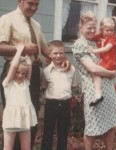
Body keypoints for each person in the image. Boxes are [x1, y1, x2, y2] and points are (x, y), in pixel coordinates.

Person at [0, 0, 70, 149]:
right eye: (30, 4)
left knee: (30, 116)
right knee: (14, 116)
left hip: (32, 74)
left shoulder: (36, 25)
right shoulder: (7, 19)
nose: (34, 8)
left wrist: (61, 59)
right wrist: (23, 49)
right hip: (14, 73)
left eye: (37, 4)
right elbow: (0, 47)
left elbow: (45, 49)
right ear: (20, 1)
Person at [72, 11, 116, 150]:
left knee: (110, 124)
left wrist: (111, 72)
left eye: (94, 27)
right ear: (81, 28)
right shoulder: (79, 44)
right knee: (92, 128)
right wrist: (111, 73)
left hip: (108, 88)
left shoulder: (94, 41)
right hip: (94, 92)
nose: (92, 30)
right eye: (89, 28)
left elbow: (109, 53)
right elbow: (93, 68)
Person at [40, 40, 77, 150]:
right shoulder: (46, 71)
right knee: (48, 133)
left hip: (65, 104)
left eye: (61, 53)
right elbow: (44, 86)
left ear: (64, 53)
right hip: (51, 104)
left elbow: (73, 85)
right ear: (50, 54)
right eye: (55, 53)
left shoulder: (71, 70)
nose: (58, 55)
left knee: (63, 133)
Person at [2, 43, 37, 150]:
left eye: (23, 73)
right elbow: (13, 66)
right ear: (11, 72)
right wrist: (19, 51)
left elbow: (29, 65)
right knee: (8, 147)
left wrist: (26, 55)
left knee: (26, 147)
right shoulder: (7, 83)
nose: (20, 75)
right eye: (18, 72)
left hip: (25, 118)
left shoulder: (26, 83)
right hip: (12, 118)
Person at [89, 16, 116, 106]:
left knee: (95, 72)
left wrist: (94, 50)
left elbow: (106, 48)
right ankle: (99, 94)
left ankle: (98, 94)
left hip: (109, 62)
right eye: (107, 30)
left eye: (111, 30)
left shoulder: (112, 38)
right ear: (101, 29)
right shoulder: (99, 36)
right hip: (103, 61)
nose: (109, 32)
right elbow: (90, 37)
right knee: (97, 75)